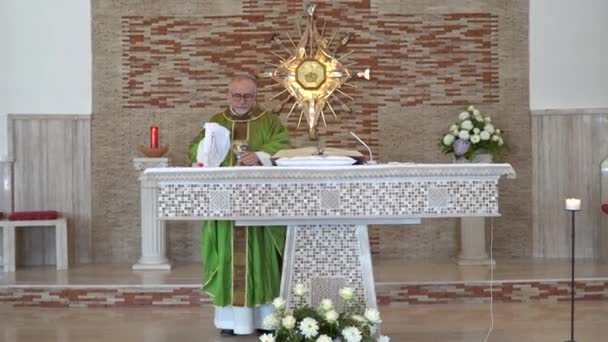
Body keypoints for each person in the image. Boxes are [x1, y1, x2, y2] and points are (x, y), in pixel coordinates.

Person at [188, 75, 291, 336]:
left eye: (248, 96)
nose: (242, 101)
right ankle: (230, 322)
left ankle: (265, 321)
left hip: (260, 204)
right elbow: (194, 151)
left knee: (262, 259)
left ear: (256, 96)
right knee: (228, 258)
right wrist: (207, 146)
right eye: (237, 95)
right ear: (228, 94)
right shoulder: (216, 122)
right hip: (226, 204)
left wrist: (260, 155)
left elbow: (284, 145)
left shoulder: (269, 121)